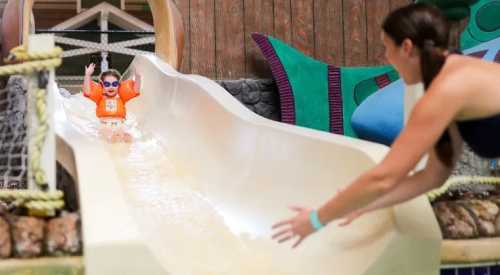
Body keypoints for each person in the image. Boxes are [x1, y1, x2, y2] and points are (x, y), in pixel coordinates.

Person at [272, 3, 500, 248]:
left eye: (387, 48)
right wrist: (365, 205)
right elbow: (433, 176)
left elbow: (384, 177)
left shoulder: (445, 90)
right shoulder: (450, 77)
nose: (386, 58)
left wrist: (316, 220)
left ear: (407, 48)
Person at [83, 63, 141, 143]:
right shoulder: (100, 97)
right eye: (107, 84)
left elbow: (136, 90)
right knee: (108, 136)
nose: (111, 87)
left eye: (114, 84)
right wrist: (87, 75)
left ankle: (122, 147)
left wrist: (138, 76)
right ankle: (112, 142)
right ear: (102, 86)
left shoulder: (121, 97)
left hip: (119, 124)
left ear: (119, 85)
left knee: (128, 137)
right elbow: (87, 92)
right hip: (104, 125)